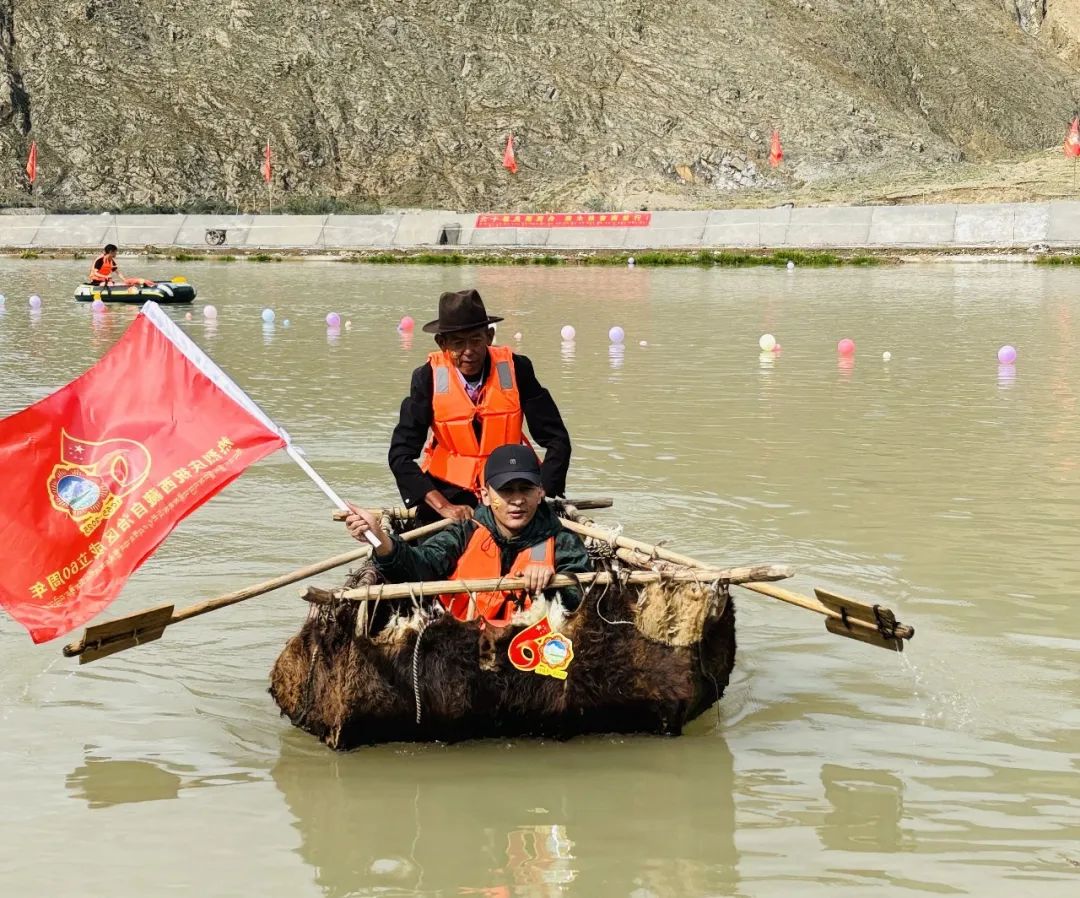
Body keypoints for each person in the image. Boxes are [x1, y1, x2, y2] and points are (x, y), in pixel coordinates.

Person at [346, 444, 590, 622]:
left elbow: (581, 598)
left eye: (525, 489)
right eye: (506, 491)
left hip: (530, 650)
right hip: (461, 643)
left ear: (540, 493)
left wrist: (553, 582)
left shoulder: (562, 540)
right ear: (485, 496)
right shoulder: (465, 532)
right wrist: (380, 539)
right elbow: (421, 565)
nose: (517, 500)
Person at [389, 288, 572, 525]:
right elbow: (400, 456)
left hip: (511, 486)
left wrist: (540, 491)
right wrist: (444, 507)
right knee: (434, 542)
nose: (469, 351)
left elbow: (557, 439)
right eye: (458, 343)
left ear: (489, 336)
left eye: (476, 340)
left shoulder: (517, 369)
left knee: (546, 538)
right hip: (449, 491)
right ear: (442, 343)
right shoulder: (427, 378)